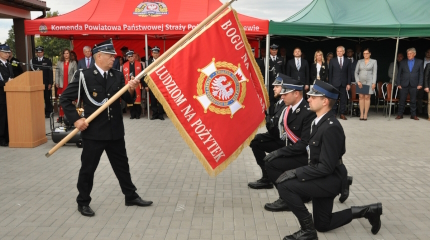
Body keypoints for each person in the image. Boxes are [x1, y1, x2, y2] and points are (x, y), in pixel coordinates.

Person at [276, 80, 382, 240]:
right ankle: (368, 211)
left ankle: (307, 231)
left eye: (312, 96)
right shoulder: (319, 122)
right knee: (323, 224)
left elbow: (326, 167)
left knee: (285, 186)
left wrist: (296, 172)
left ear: (325, 101)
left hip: (330, 179)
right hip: (323, 176)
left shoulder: (331, 127)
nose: (309, 99)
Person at [60, 39, 153, 217]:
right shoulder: (84, 76)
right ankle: (83, 202)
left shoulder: (117, 76)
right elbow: (65, 99)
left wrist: (132, 88)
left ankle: (130, 196)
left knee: (122, 166)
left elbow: (128, 99)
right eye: (110, 56)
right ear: (99, 56)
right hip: (93, 132)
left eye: (114, 56)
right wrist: (77, 120)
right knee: (88, 169)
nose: (113, 59)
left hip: (115, 130)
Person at [262, 76, 316, 212]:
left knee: (272, 164)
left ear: (296, 94)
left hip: (306, 156)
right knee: (270, 161)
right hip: (294, 151)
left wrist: (279, 152)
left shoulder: (307, 112)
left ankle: (287, 198)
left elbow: (304, 144)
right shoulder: (289, 109)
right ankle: (290, 194)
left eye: (285, 93)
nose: (282, 95)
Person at [248, 76, 286, 190]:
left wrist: (268, 123)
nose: (274, 88)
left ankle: (268, 177)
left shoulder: (286, 105)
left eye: (277, 86)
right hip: (277, 137)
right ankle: (267, 177)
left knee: (256, 142)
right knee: (255, 141)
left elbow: (278, 132)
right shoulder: (279, 103)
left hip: (284, 142)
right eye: (274, 86)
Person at [396, 48, 423, 120]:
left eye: (410, 53)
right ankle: (400, 114)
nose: (409, 55)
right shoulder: (402, 62)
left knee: (413, 100)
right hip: (404, 84)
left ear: (414, 54)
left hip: (414, 84)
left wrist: (420, 83)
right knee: (402, 100)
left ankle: (413, 115)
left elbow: (421, 74)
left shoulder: (419, 62)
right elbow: (399, 74)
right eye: (408, 54)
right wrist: (398, 83)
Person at [329, 46, 351, 120]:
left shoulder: (347, 61)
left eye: (340, 51)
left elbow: (349, 73)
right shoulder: (332, 60)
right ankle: (334, 114)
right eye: (338, 51)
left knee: (343, 99)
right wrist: (330, 84)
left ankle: (342, 113)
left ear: (343, 52)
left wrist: (348, 83)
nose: (339, 52)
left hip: (344, 83)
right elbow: (330, 73)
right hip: (334, 83)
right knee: (334, 99)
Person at [30, 46, 54, 118]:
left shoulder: (47, 60)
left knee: (47, 99)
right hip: (37, 83)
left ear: (43, 52)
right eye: (38, 52)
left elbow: (50, 72)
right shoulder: (33, 61)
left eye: (40, 52)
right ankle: (39, 112)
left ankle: (48, 112)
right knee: (38, 99)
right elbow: (32, 72)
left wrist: (50, 83)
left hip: (46, 83)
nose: (39, 54)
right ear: (36, 53)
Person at [355, 48, 377, 120]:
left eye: (367, 53)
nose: (365, 55)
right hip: (360, 82)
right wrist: (358, 81)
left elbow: (374, 73)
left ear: (370, 54)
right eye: (364, 53)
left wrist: (374, 82)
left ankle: (365, 114)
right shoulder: (359, 61)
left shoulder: (374, 61)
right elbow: (356, 72)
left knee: (367, 97)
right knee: (361, 97)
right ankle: (361, 114)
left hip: (369, 81)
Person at [55, 48, 77, 123]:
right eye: (64, 53)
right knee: (62, 100)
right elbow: (57, 73)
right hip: (62, 83)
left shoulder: (73, 62)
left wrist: (73, 83)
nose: (66, 55)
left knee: (69, 100)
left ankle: (69, 116)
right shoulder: (59, 62)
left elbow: (75, 73)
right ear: (63, 54)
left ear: (69, 55)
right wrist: (57, 82)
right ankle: (61, 116)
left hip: (70, 83)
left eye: (67, 53)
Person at [122, 50, 144, 119]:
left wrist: (143, 85)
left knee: (137, 99)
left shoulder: (139, 64)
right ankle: (132, 114)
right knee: (130, 99)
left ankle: (138, 114)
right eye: (129, 57)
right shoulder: (124, 65)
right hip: (129, 84)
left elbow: (142, 75)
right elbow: (123, 76)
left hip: (137, 84)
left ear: (133, 57)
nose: (131, 58)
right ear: (127, 58)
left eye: (132, 56)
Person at [0, 44, 14, 147]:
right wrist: (6, 82)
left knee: (9, 116)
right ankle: (1, 138)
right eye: (5, 52)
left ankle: (9, 136)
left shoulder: (9, 64)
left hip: (10, 94)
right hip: (1, 94)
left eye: (8, 52)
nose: (7, 54)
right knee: (2, 116)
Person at [146, 46, 165, 120]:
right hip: (152, 84)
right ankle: (154, 114)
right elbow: (146, 74)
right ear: (152, 53)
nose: (156, 54)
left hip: (160, 83)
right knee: (153, 100)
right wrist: (146, 85)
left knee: (160, 99)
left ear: (159, 53)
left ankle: (161, 114)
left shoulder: (162, 60)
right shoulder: (148, 62)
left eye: (157, 53)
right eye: (154, 53)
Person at [267, 44, 285, 114]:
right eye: (272, 50)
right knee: (271, 101)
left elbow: (283, 71)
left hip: (279, 84)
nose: (274, 51)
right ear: (270, 50)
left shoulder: (281, 59)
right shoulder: (266, 59)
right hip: (270, 84)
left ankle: (279, 115)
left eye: (275, 50)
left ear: (277, 51)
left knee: (280, 100)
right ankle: (271, 116)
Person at [417, 49, 430, 115]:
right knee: (420, 97)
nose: (429, 53)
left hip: (428, 83)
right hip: (420, 81)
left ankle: (426, 112)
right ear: (425, 53)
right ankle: (419, 112)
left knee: (428, 98)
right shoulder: (420, 61)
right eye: (427, 52)